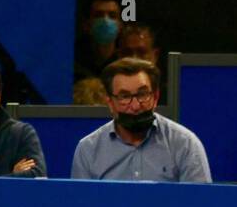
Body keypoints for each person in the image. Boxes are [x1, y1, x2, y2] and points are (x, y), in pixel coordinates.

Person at [71, 58, 211, 182]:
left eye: (142, 94)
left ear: (155, 97)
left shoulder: (185, 144)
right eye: (124, 97)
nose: (136, 106)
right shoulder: (88, 150)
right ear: (110, 103)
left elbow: (199, 205)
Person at [73, 0, 122, 84]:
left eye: (112, 15)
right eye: (99, 15)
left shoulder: (124, 63)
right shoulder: (72, 63)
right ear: (86, 25)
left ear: (120, 26)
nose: (106, 20)